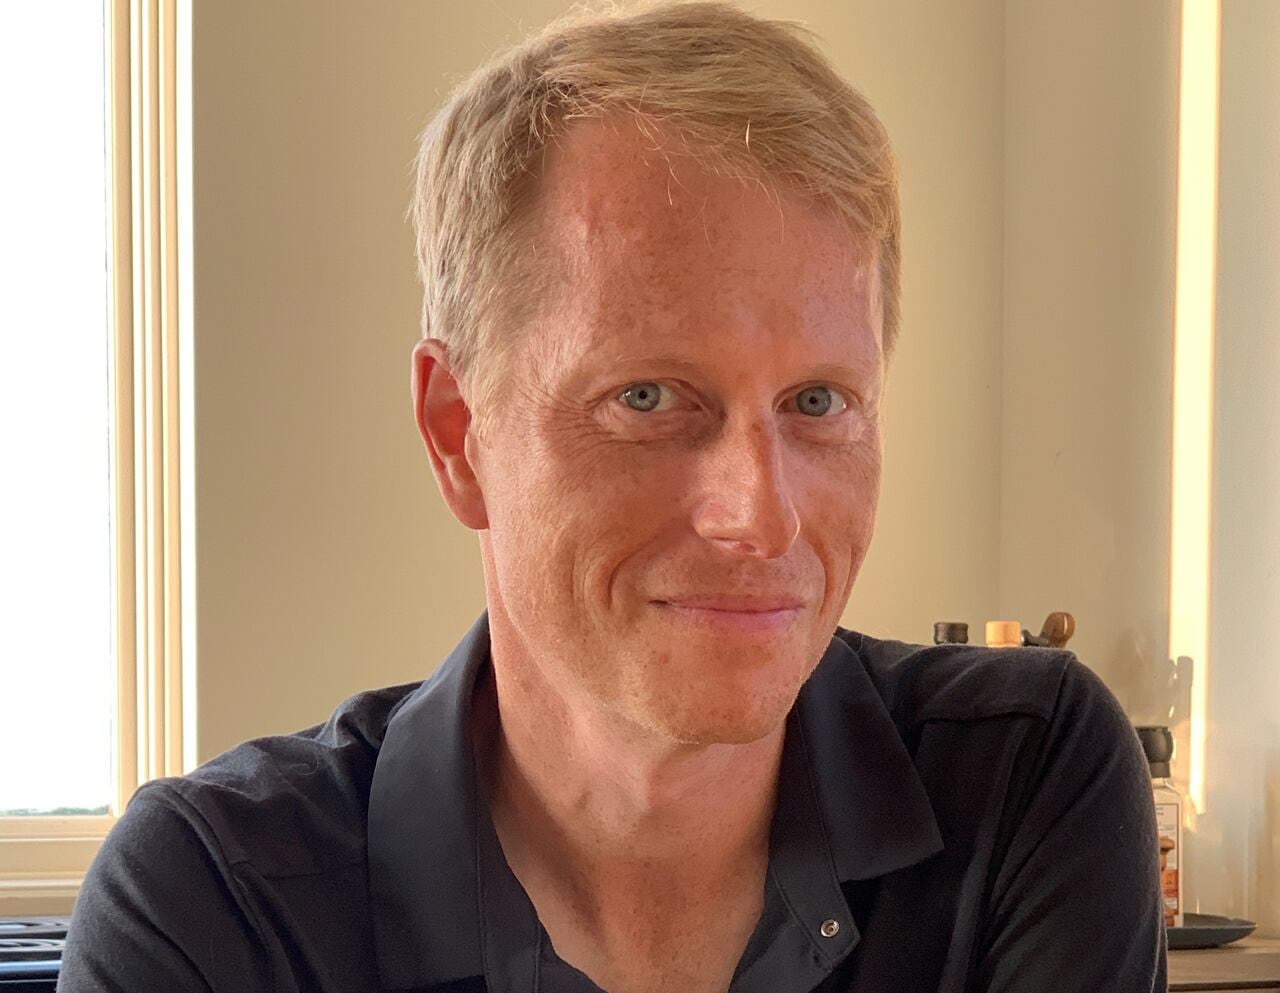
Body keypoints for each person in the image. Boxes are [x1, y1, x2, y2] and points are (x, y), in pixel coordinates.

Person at [58, 3, 1167, 991]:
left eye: (818, 402)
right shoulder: (219, 909)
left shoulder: (1020, 784)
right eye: (647, 397)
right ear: (457, 431)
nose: (759, 516)